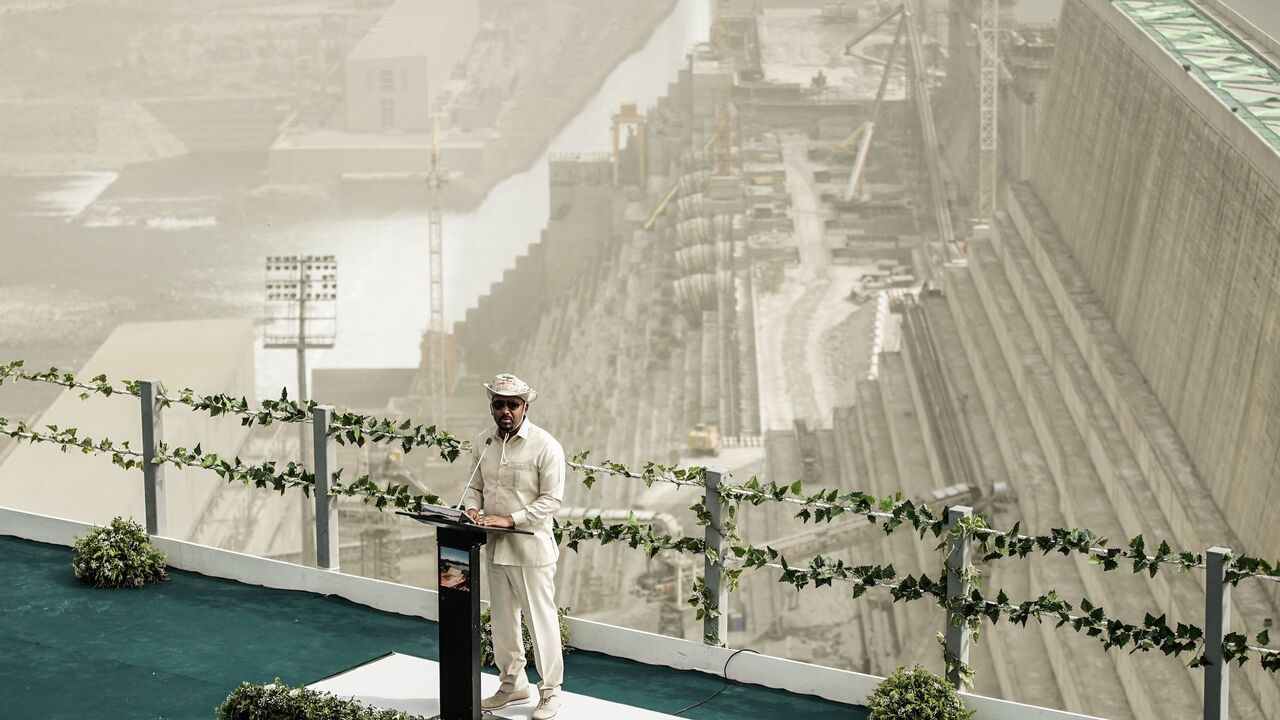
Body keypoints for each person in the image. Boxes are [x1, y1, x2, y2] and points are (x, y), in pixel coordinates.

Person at [463, 373, 565, 720]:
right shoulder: (483, 442)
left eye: (512, 404)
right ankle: (512, 684)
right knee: (503, 623)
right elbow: (475, 485)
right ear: (491, 406)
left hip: (532, 551)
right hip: (494, 548)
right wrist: (473, 509)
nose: (505, 411)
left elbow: (552, 500)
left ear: (525, 406)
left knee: (541, 622)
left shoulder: (546, 446)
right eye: (498, 404)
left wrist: (511, 519)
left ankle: (551, 692)